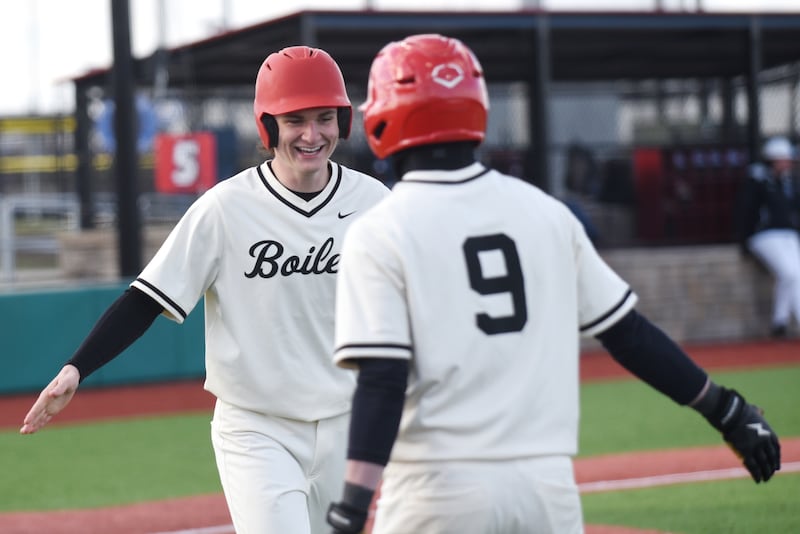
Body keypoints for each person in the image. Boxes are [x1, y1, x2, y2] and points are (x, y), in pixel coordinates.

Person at [325, 34, 781, 534]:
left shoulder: (379, 230)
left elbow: (383, 379)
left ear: (383, 117)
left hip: (437, 487)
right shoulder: (547, 213)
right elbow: (629, 335)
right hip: (547, 490)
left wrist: (352, 503)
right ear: (476, 108)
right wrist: (728, 410)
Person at [20, 45, 390, 534]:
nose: (311, 133)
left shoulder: (374, 202)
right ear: (268, 126)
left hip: (347, 417)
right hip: (259, 427)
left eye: (325, 118)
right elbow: (146, 299)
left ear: (343, 121)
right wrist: (77, 367)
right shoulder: (225, 207)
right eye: (294, 119)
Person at [736, 135, 800, 338]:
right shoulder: (758, 180)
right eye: (783, 159)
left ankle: (780, 322)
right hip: (764, 235)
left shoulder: (789, 183)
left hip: (788, 234)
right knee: (789, 272)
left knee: (795, 274)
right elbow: (746, 211)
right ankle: (786, 320)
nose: (787, 163)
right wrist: (743, 240)